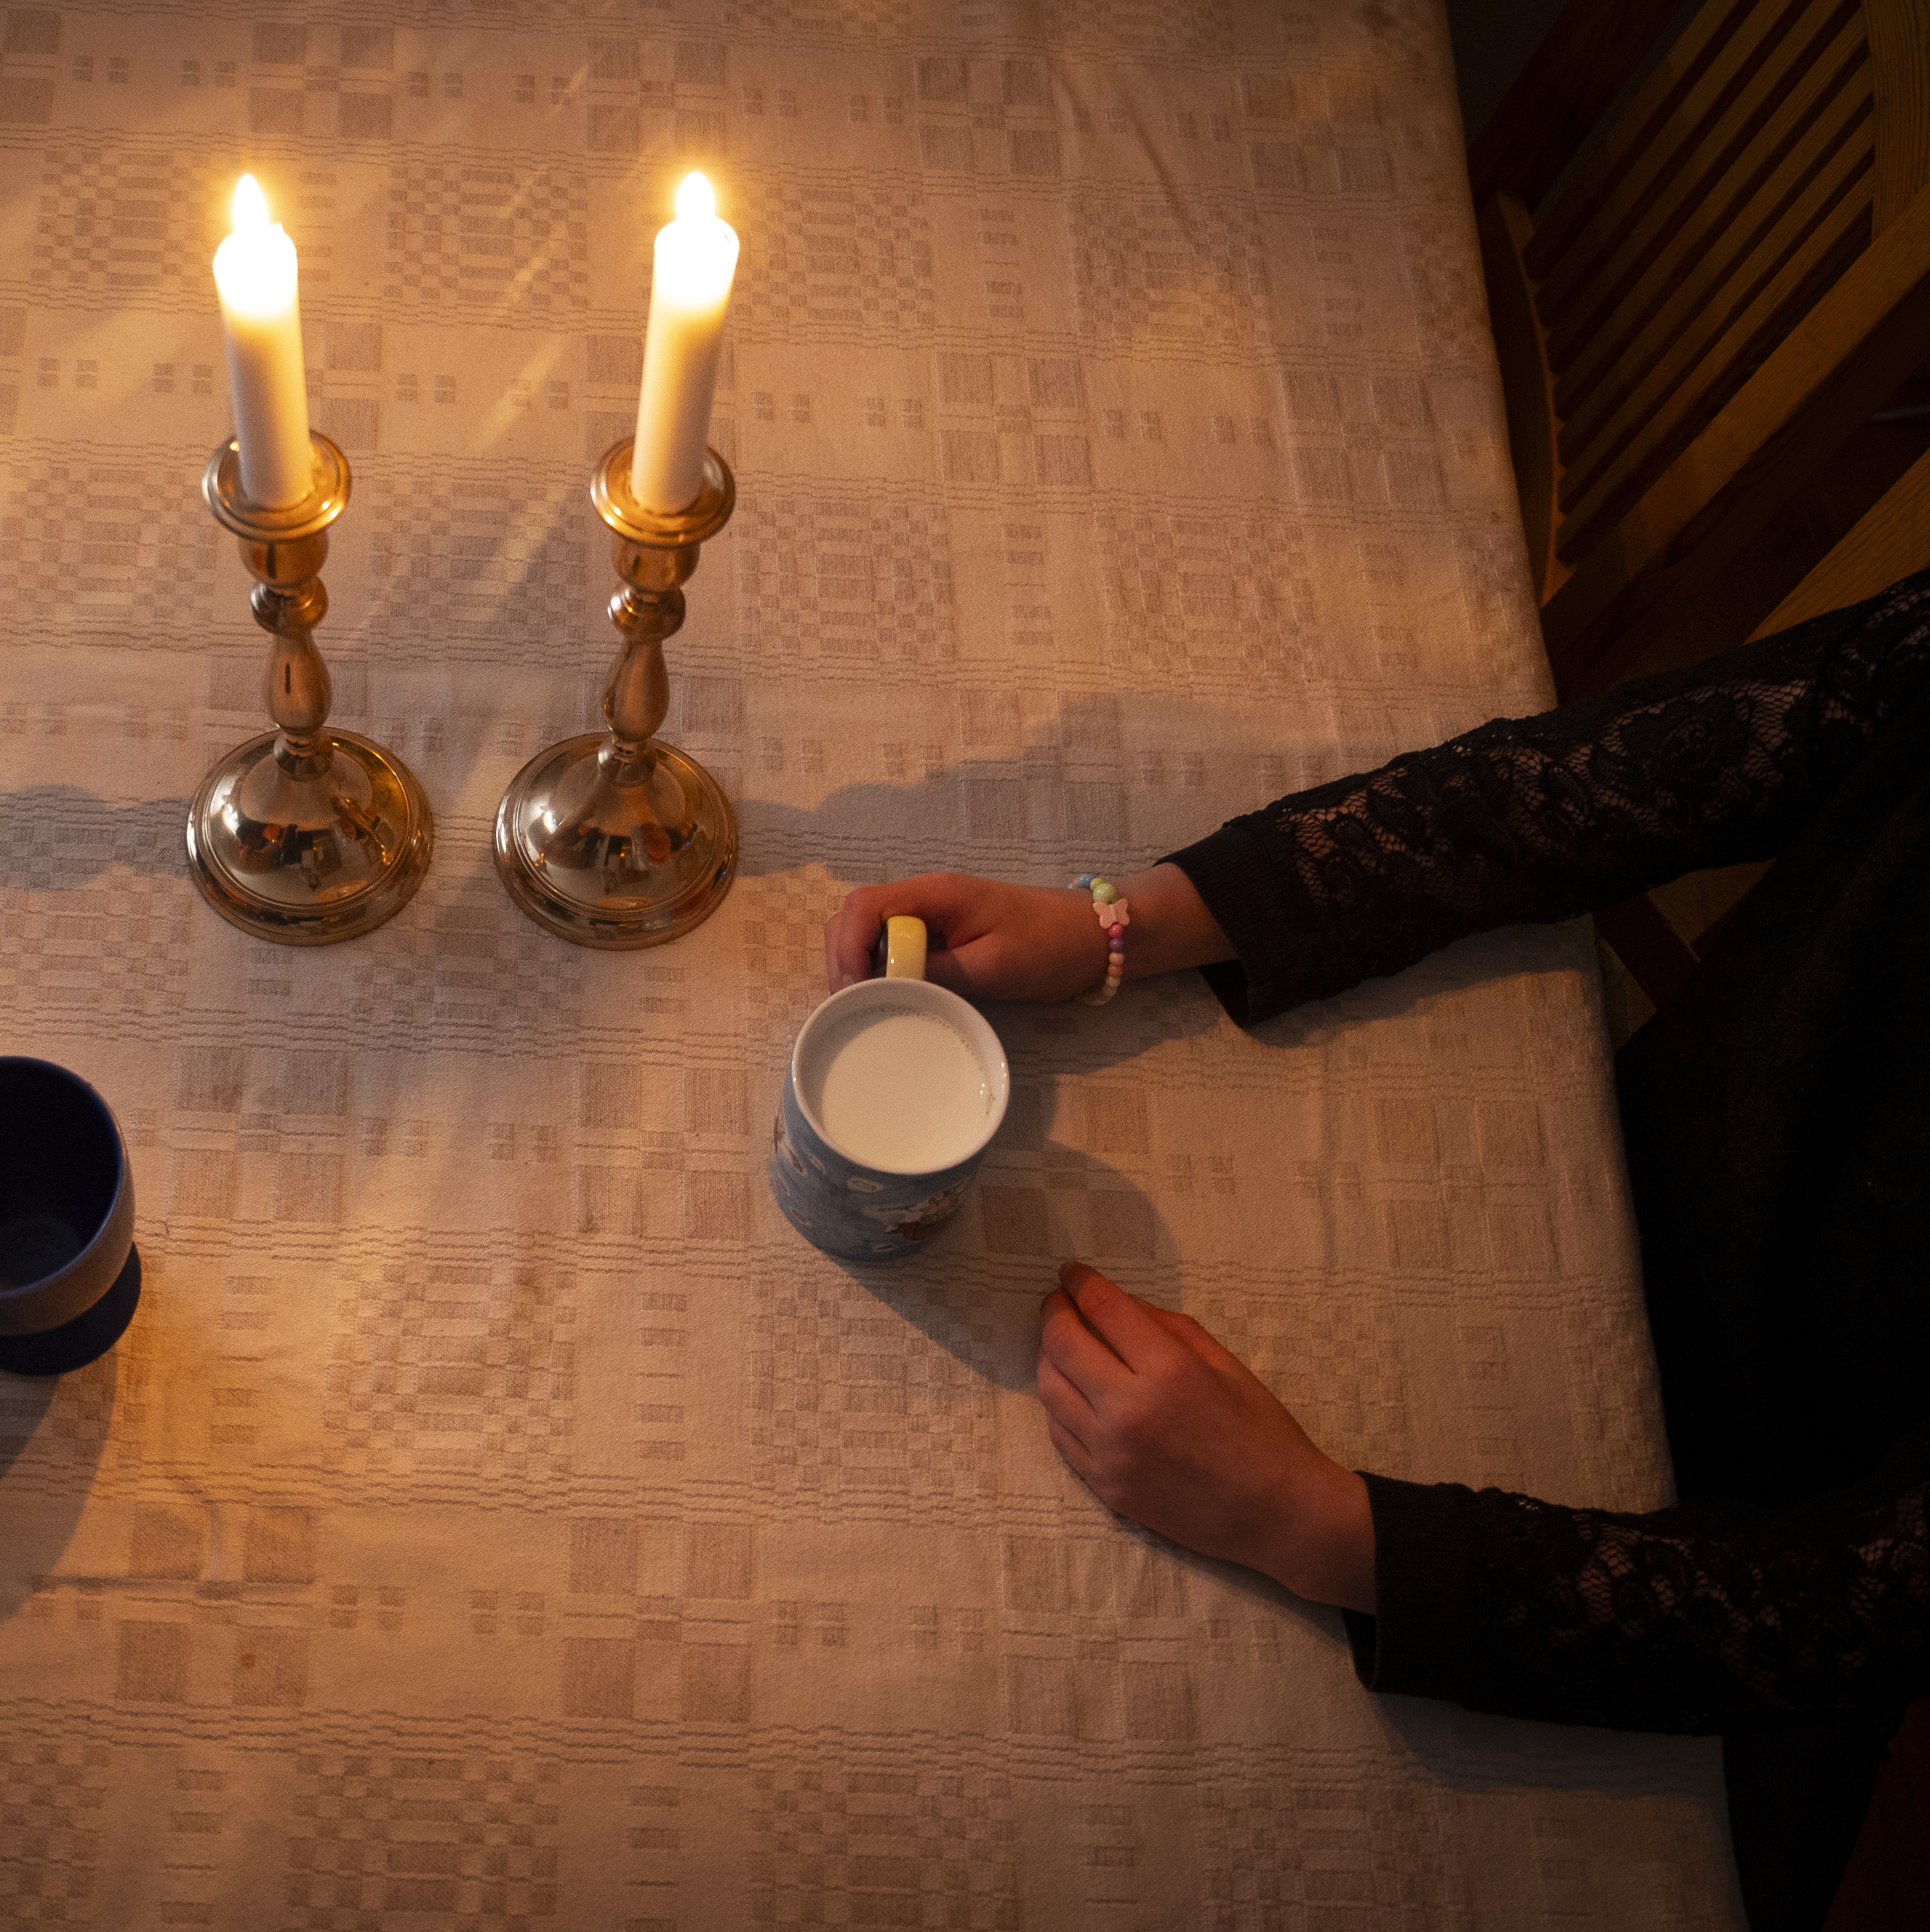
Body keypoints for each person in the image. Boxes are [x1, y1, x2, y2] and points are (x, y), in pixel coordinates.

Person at [825, 565, 1930, 1928]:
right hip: (1626, 1179)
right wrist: (1121, 925)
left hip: (1734, 1561)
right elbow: (1615, 773)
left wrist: (1315, 1526)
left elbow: (1846, 1614)